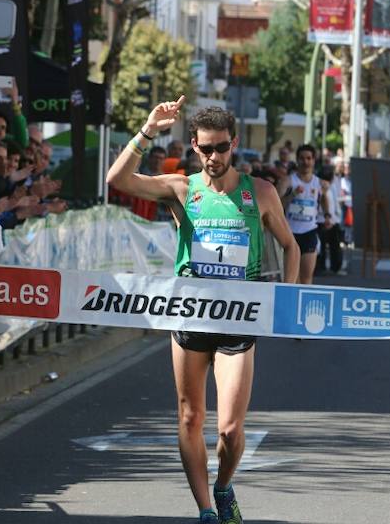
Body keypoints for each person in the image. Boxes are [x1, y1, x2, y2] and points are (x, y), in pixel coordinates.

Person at [106, 100, 299, 524]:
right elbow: (116, 179)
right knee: (190, 416)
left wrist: (289, 298)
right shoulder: (182, 188)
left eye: (223, 148)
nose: (215, 158)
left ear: (234, 145)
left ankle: (224, 485)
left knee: (230, 430)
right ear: (194, 146)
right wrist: (149, 129)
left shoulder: (259, 192)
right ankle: (206, 510)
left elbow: (291, 245)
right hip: (190, 318)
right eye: (207, 149)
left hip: (239, 321)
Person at [278, 144, 331, 285]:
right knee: (291, 279)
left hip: (309, 232)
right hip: (290, 234)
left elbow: (324, 199)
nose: (305, 162)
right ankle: (291, 305)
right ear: (297, 160)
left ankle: (303, 305)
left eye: (309, 158)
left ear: (314, 160)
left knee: (307, 278)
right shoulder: (288, 181)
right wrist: (292, 195)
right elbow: (276, 206)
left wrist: (327, 216)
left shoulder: (319, 183)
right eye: (302, 158)